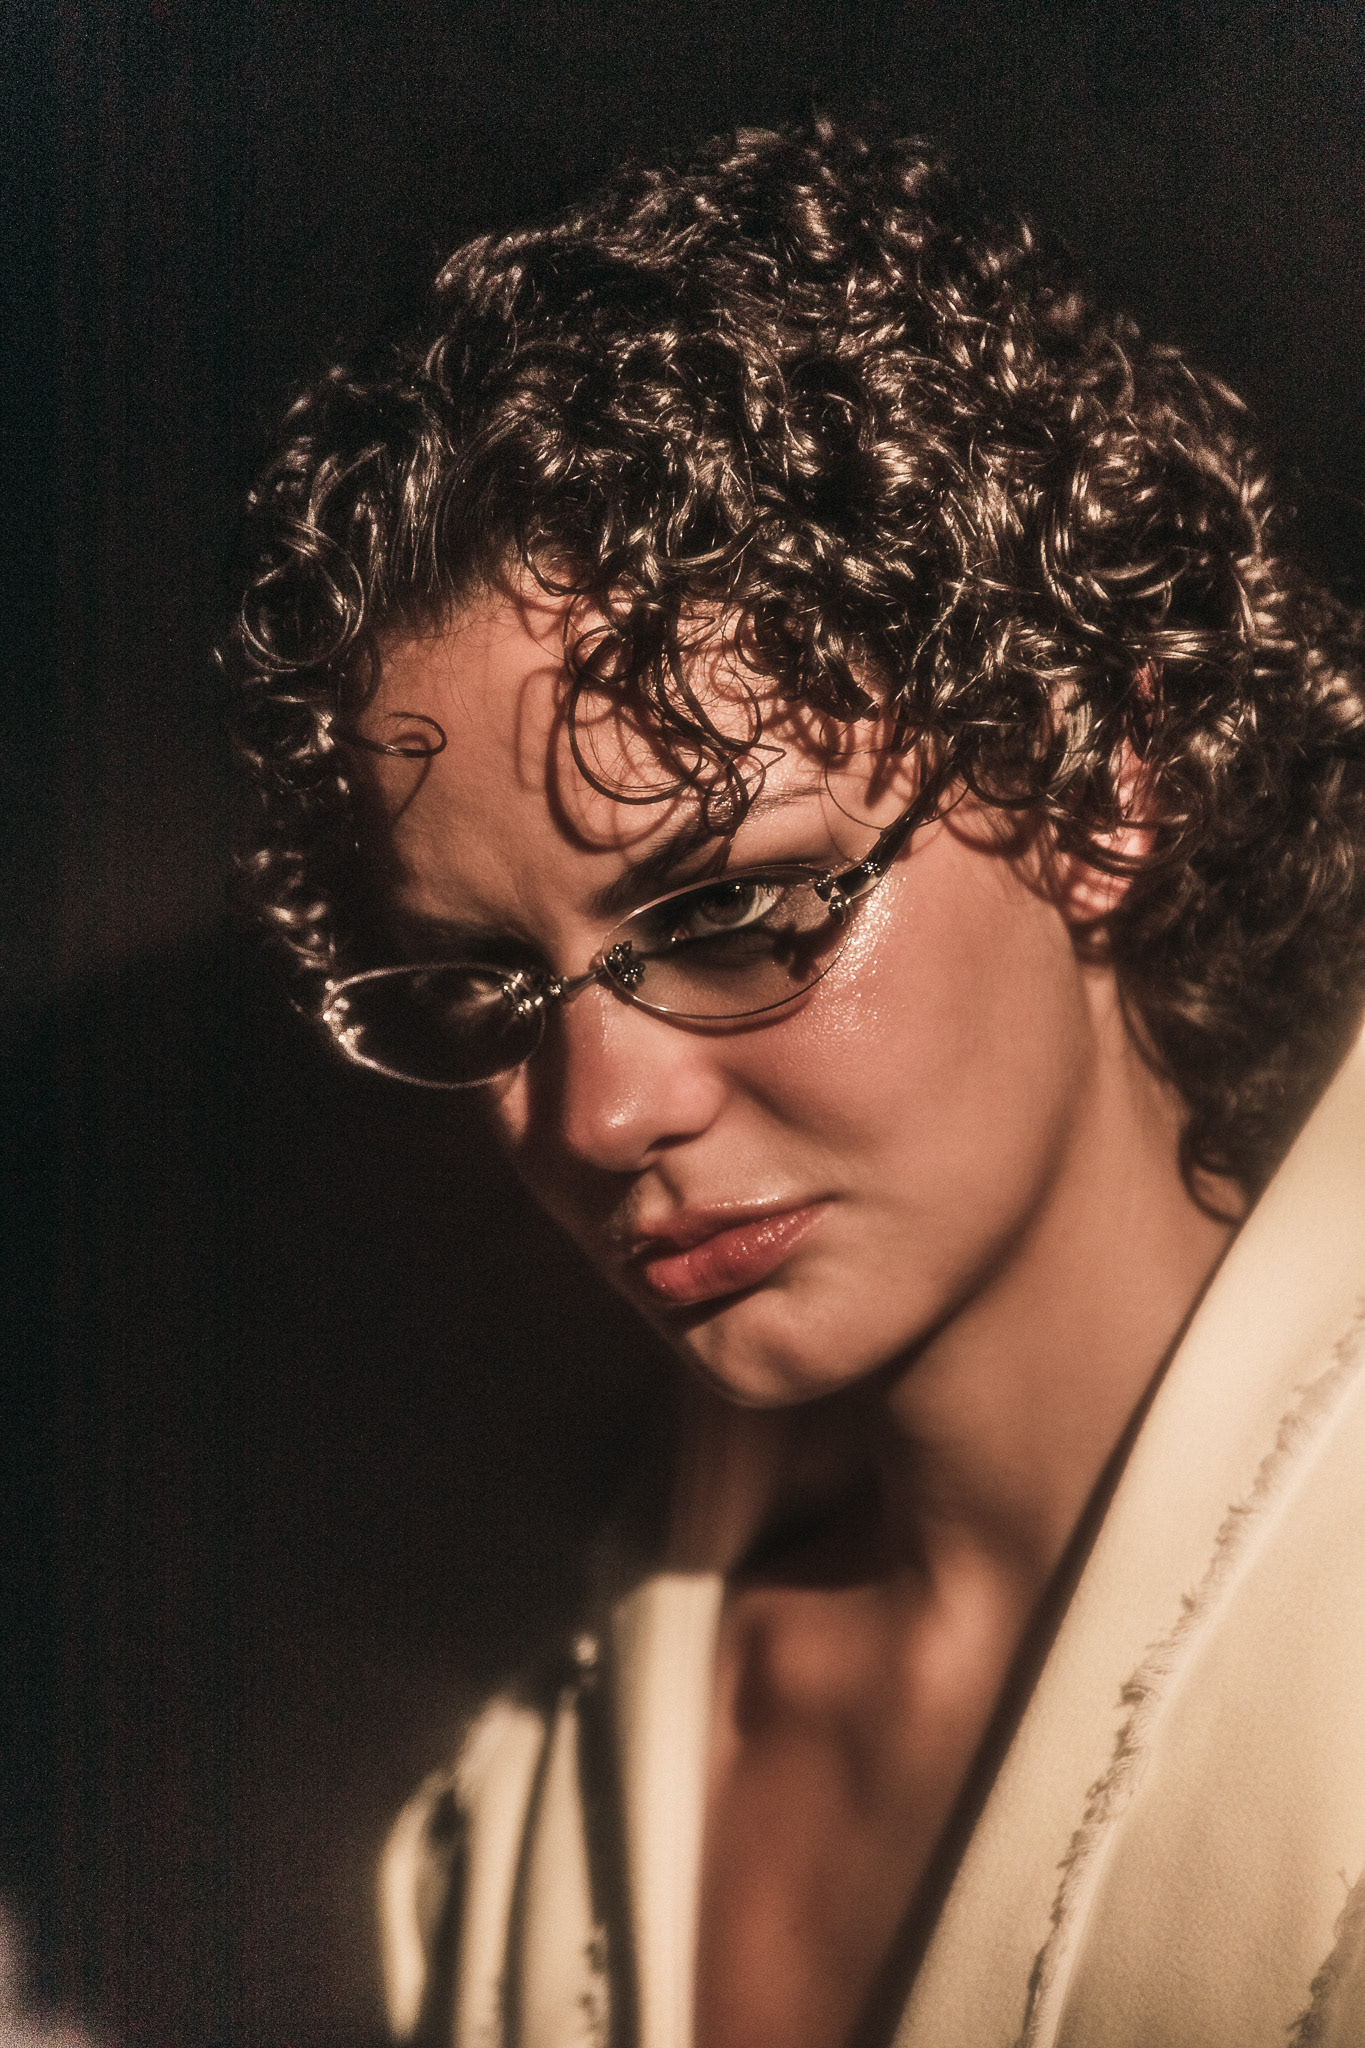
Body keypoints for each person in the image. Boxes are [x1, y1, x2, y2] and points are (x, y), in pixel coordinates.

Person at [231, 121, 1365, 2048]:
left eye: (737, 913)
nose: (596, 1117)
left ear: (1105, 781)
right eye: (489, 989)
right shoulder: (530, 1807)